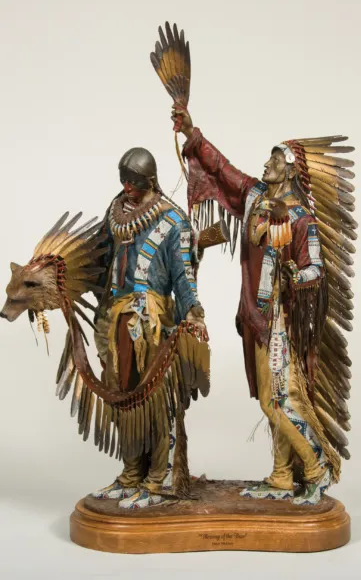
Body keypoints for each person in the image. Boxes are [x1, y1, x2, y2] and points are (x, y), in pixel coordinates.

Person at [173, 107, 349, 505]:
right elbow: (222, 169)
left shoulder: (301, 220)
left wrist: (293, 274)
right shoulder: (255, 196)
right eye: (268, 160)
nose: (267, 165)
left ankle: (317, 468)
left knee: (277, 401)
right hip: (253, 315)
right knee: (271, 398)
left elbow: (315, 270)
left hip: (279, 323)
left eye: (275, 161)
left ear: (290, 171)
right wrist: (192, 134)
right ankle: (282, 475)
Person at [91, 146, 207, 509]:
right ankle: (132, 473)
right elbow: (101, 262)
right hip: (117, 321)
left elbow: (183, 276)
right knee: (123, 395)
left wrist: (194, 312)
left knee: (156, 401)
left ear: (150, 181)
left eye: (134, 182)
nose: (127, 188)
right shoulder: (115, 214)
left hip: (153, 323)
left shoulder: (173, 221)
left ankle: (160, 480)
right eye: (123, 180)